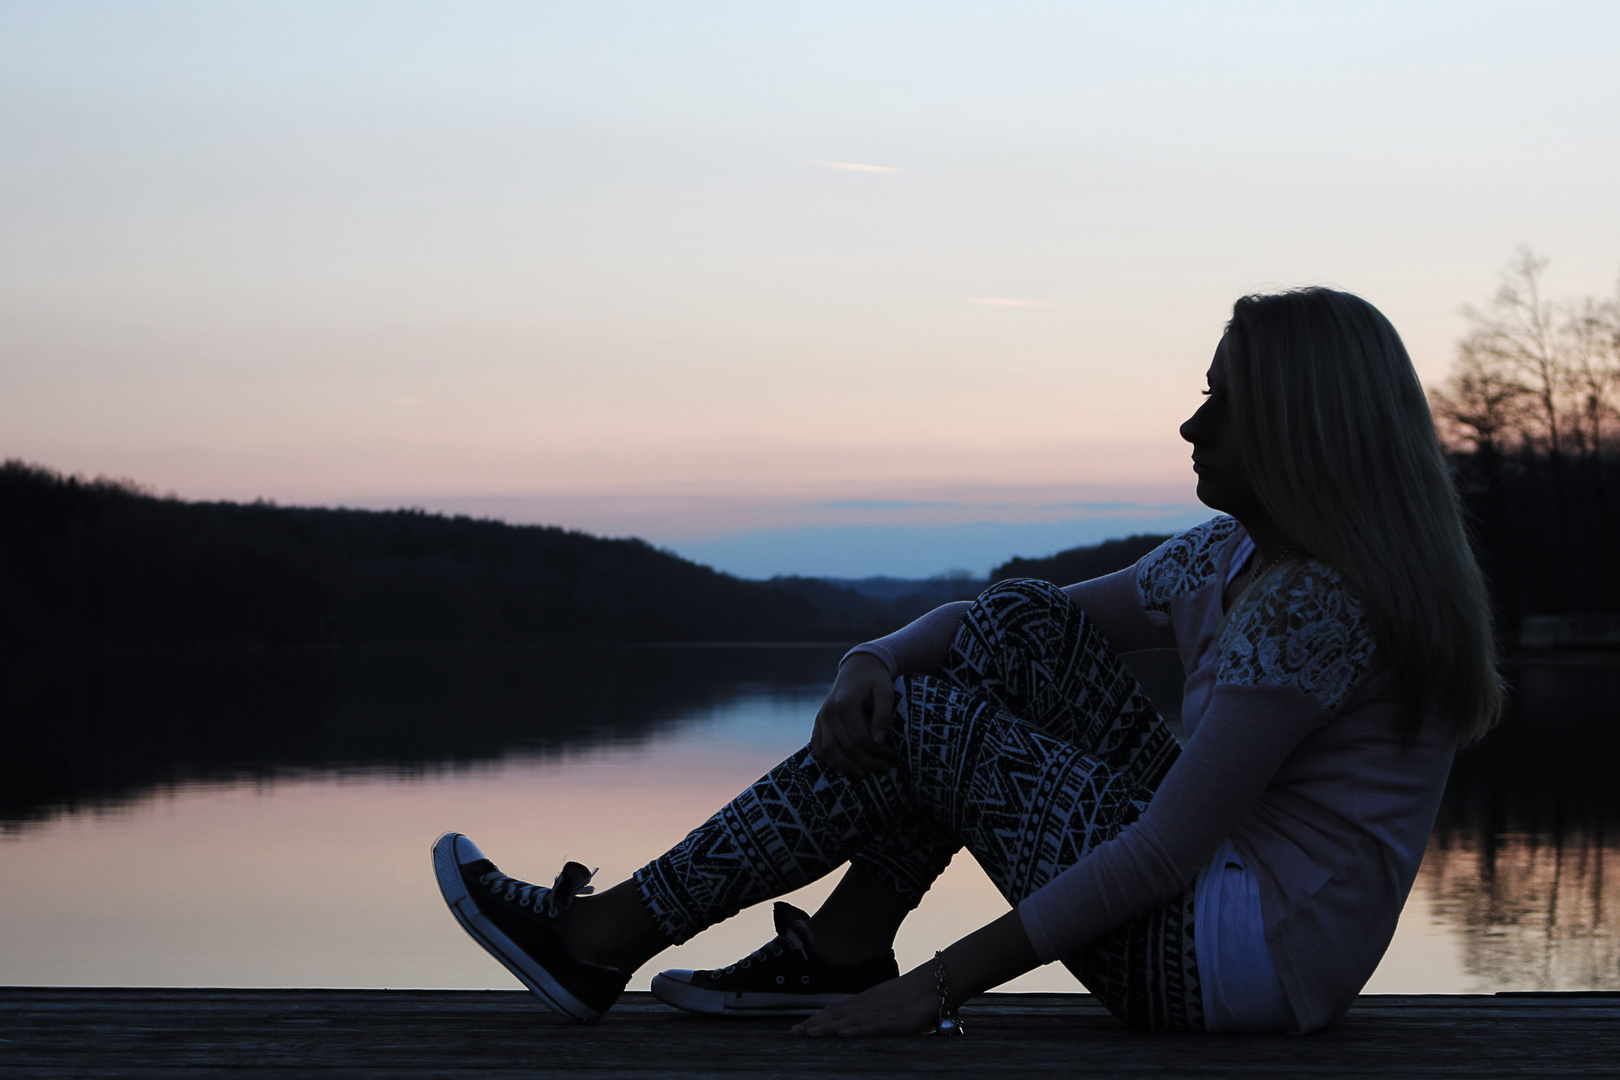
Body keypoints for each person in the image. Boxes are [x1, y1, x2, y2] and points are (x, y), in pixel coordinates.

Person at [431, 287, 1502, 1036]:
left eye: (1225, 403)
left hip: (1236, 967)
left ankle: (610, 934)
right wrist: (870, 658)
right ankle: (839, 947)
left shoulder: (1315, 603)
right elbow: (1010, 618)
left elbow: (1168, 850)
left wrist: (940, 988)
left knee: (937, 723)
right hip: (1210, 922)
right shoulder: (1234, 554)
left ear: (1300, 428)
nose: (1192, 421)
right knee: (1015, 630)